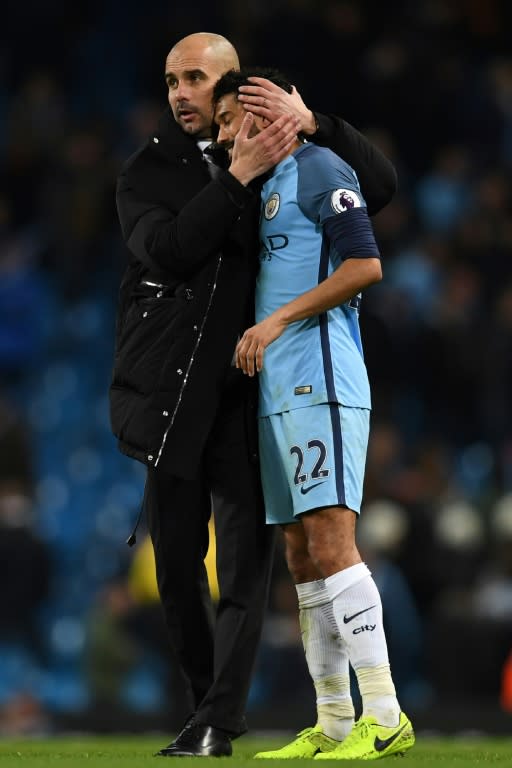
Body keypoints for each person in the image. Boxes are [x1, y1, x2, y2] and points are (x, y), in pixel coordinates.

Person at [110, 32, 398, 758]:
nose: (181, 93)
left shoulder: (301, 164)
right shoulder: (161, 174)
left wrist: (317, 124)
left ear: (240, 94)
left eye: (197, 81)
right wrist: (236, 177)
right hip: (207, 396)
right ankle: (292, 715)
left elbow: (373, 220)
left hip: (282, 384)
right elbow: (171, 252)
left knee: (291, 556)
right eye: (171, 79)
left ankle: (355, 717)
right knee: (237, 563)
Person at [212, 68, 415, 761]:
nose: (226, 136)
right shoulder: (260, 188)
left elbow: (365, 265)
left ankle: (384, 714)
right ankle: (333, 721)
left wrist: (275, 324)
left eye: (236, 120)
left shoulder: (319, 166)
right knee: (300, 555)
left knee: (332, 543)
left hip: (320, 377)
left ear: (269, 116)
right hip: (278, 389)